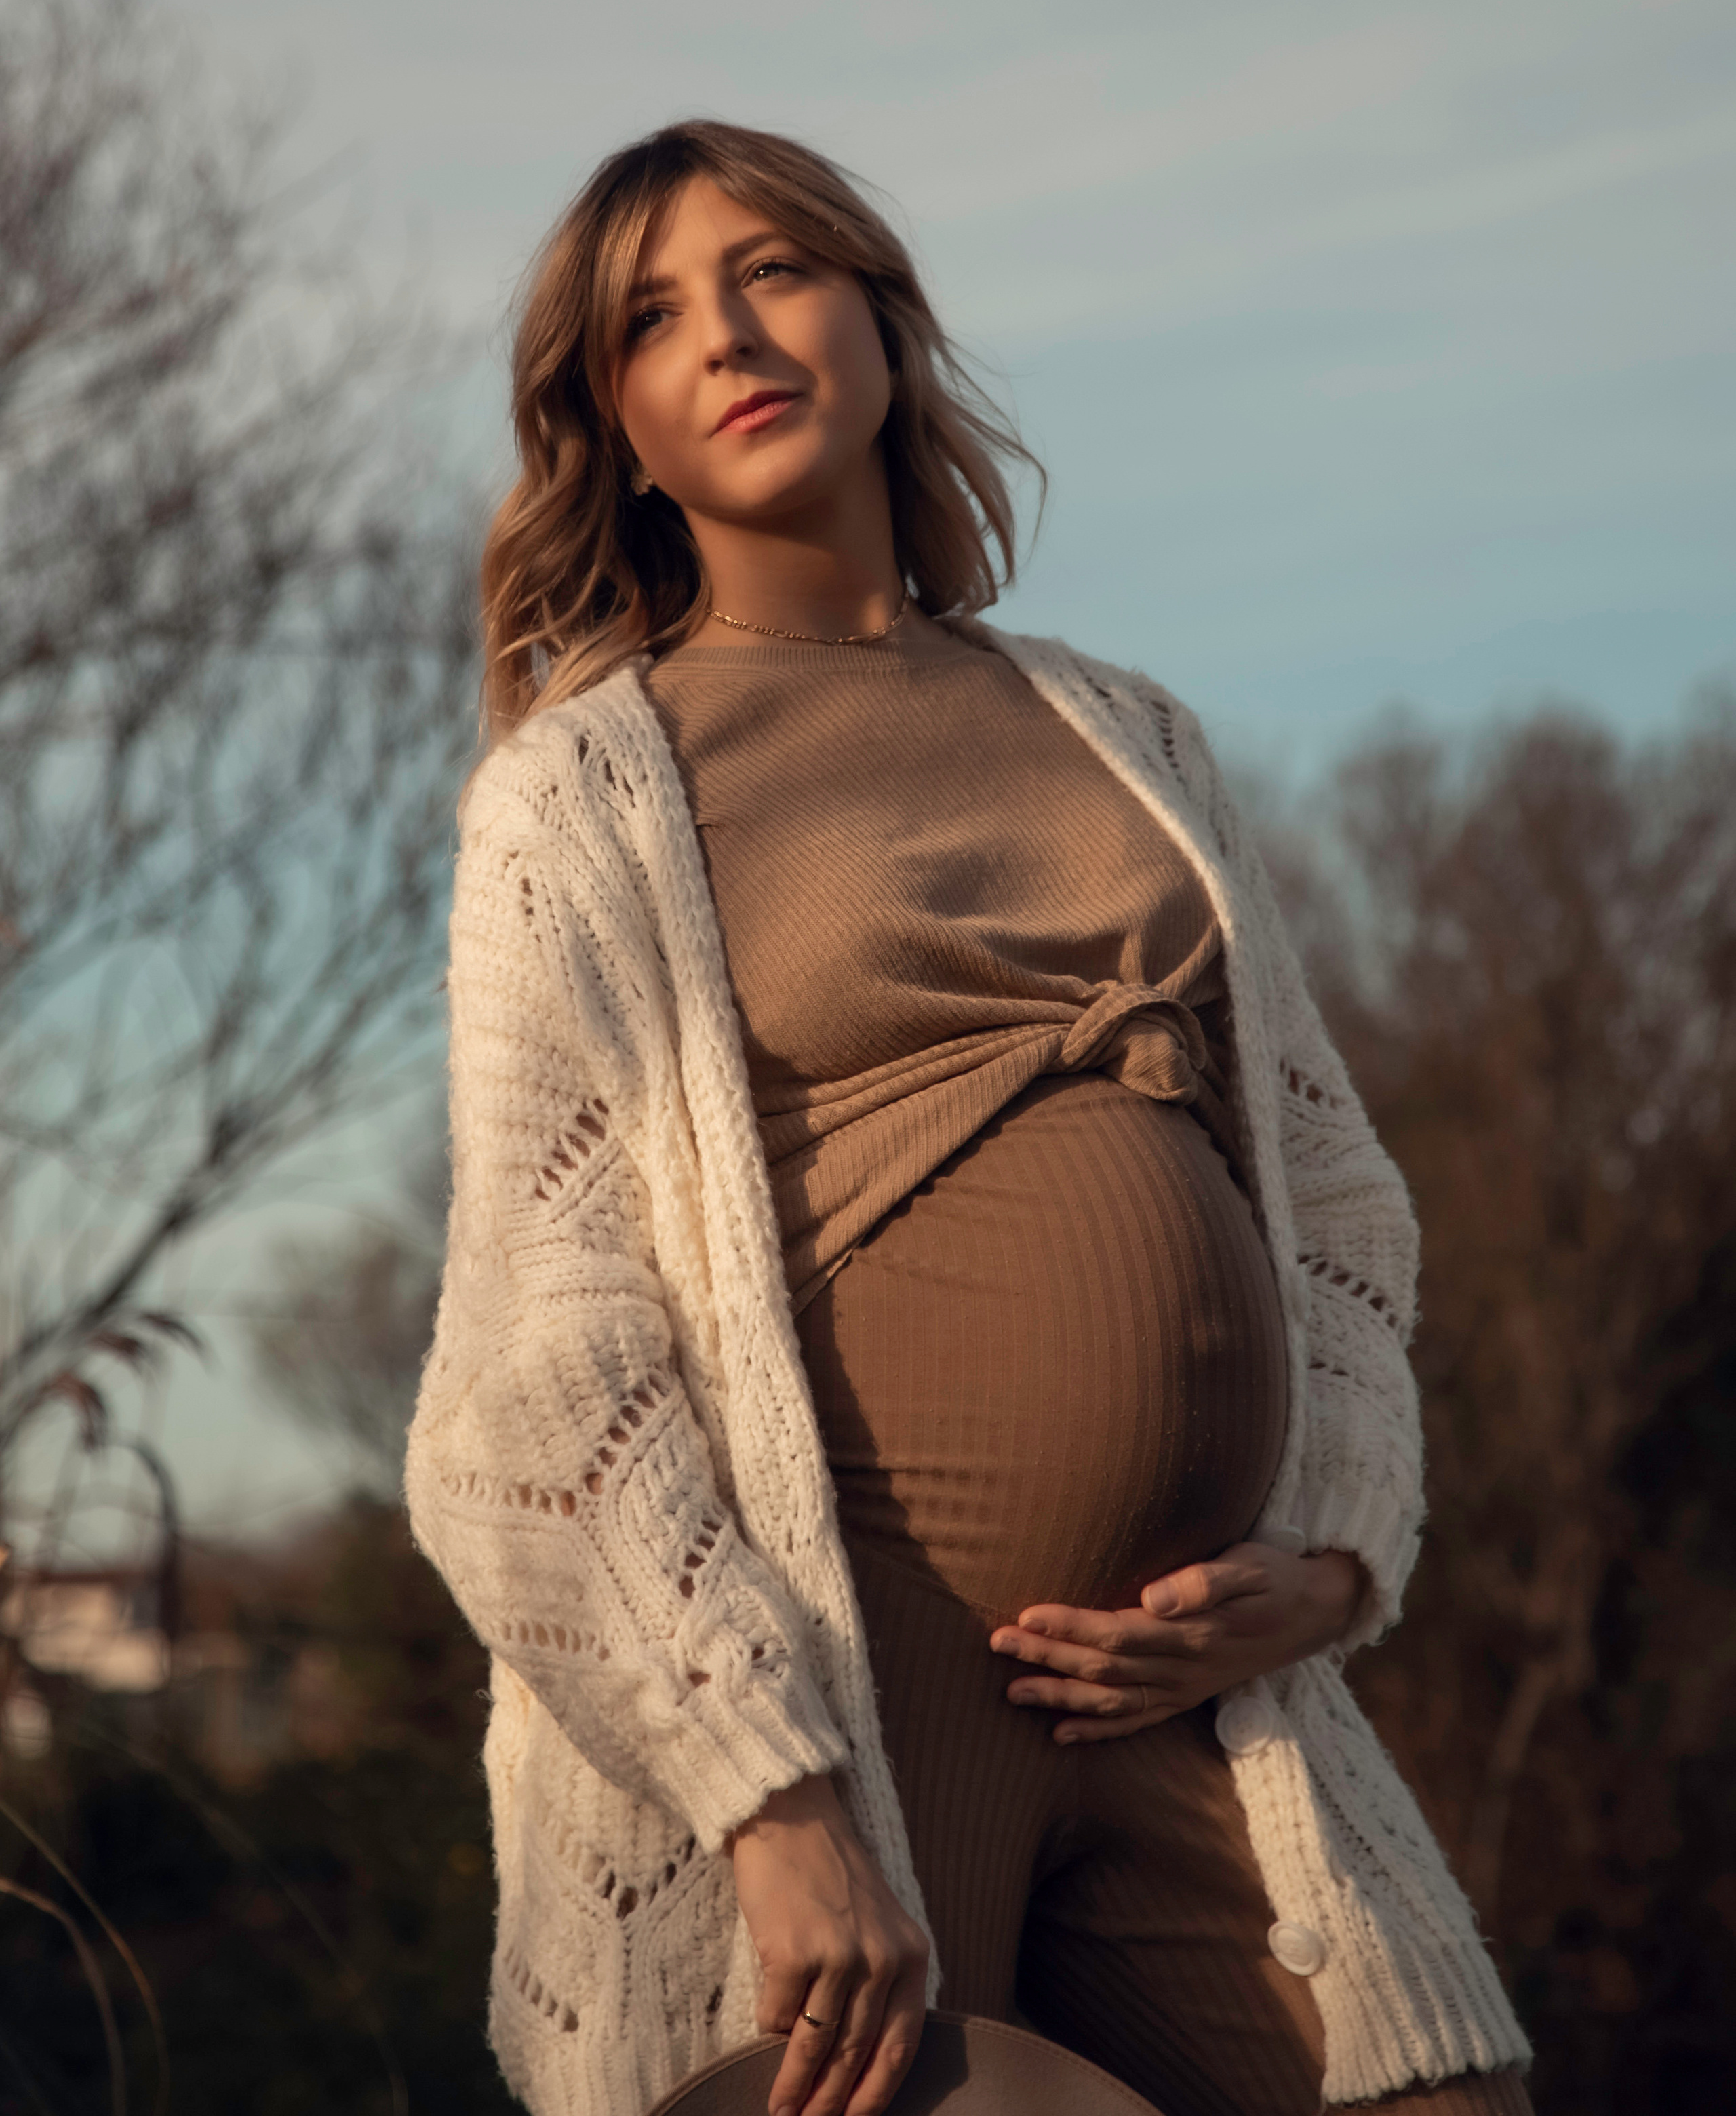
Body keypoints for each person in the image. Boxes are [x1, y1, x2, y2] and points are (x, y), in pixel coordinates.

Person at [405, 122, 1533, 2116]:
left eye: (774, 269)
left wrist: (1340, 1554)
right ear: (621, 432)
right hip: (855, 1669)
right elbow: (533, 1373)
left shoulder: (1128, 727)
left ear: (879, 320)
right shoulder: (583, 792)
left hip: (1203, 1688)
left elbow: (1338, 1199)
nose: (731, 334)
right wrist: (766, 1788)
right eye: (651, 320)